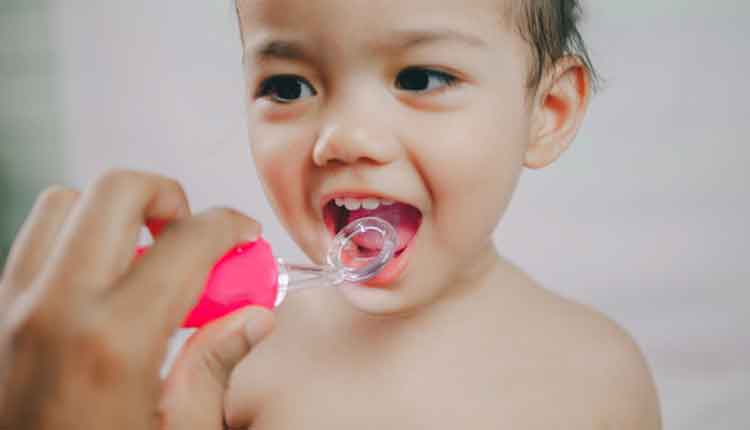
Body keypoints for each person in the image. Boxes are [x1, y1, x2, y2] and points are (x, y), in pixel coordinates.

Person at [0, 0, 662, 428]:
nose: (341, 138)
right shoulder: (239, 359)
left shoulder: (594, 373)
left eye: (421, 78)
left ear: (546, 115)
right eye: (287, 87)